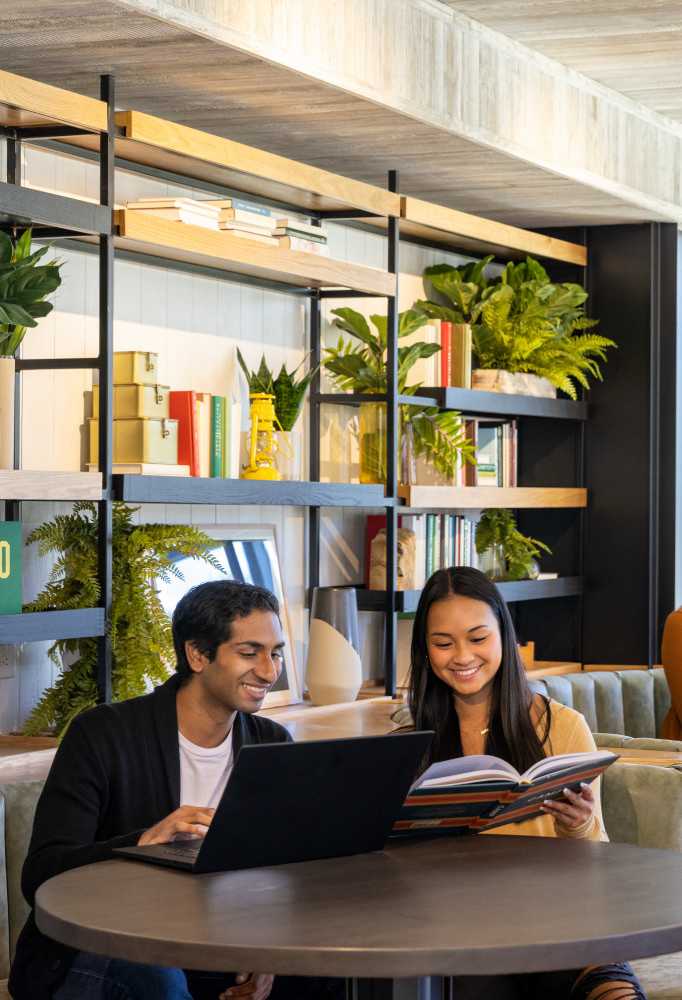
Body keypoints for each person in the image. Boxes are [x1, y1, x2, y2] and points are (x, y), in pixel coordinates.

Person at [9, 580, 343, 1000]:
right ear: (197, 654)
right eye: (249, 653)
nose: (270, 671)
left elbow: (289, 875)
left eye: (274, 653)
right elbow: (41, 874)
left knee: (328, 968)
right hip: (106, 950)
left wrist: (270, 953)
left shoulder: (271, 743)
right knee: (157, 976)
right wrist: (141, 844)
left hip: (219, 948)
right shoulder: (102, 734)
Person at [408, 566, 646, 1000]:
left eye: (478, 638)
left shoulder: (563, 727)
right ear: (425, 650)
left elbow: (596, 868)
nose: (462, 656)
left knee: (616, 993)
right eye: (443, 643)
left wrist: (578, 826)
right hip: (464, 936)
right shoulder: (410, 746)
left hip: (563, 927)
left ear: (505, 634)